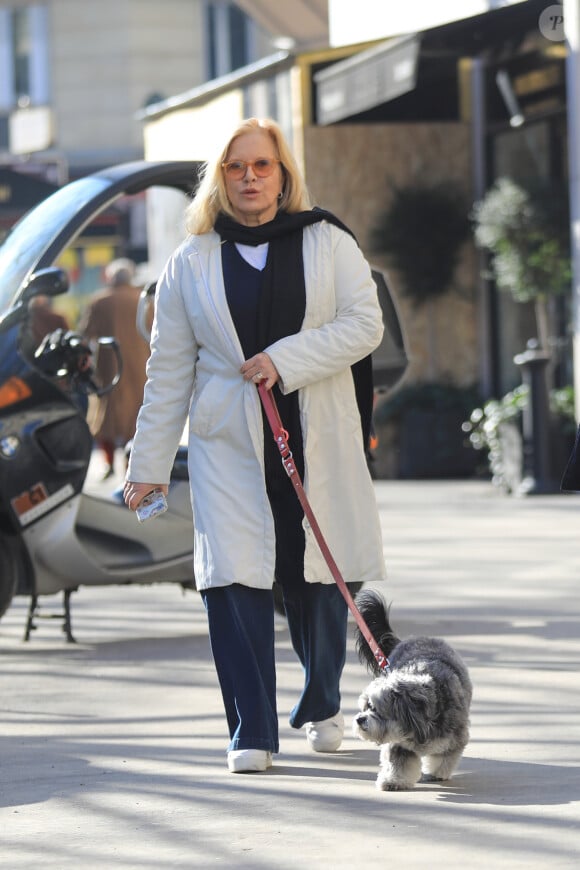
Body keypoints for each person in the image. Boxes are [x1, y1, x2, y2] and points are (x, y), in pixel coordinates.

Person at [123, 117, 387, 773]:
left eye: (261, 165)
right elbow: (167, 371)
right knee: (232, 580)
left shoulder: (328, 242)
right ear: (218, 178)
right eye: (235, 167)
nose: (249, 178)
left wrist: (285, 359)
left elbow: (366, 324)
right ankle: (251, 731)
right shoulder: (190, 261)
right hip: (228, 442)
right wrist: (147, 467)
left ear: (283, 173)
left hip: (316, 430)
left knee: (320, 578)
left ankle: (323, 703)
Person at [80, 258, 150, 479]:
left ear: (110, 278)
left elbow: (85, 334)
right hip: (141, 366)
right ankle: (131, 464)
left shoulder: (99, 301)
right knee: (138, 417)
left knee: (106, 416)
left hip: (110, 368)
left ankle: (110, 464)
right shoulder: (143, 300)